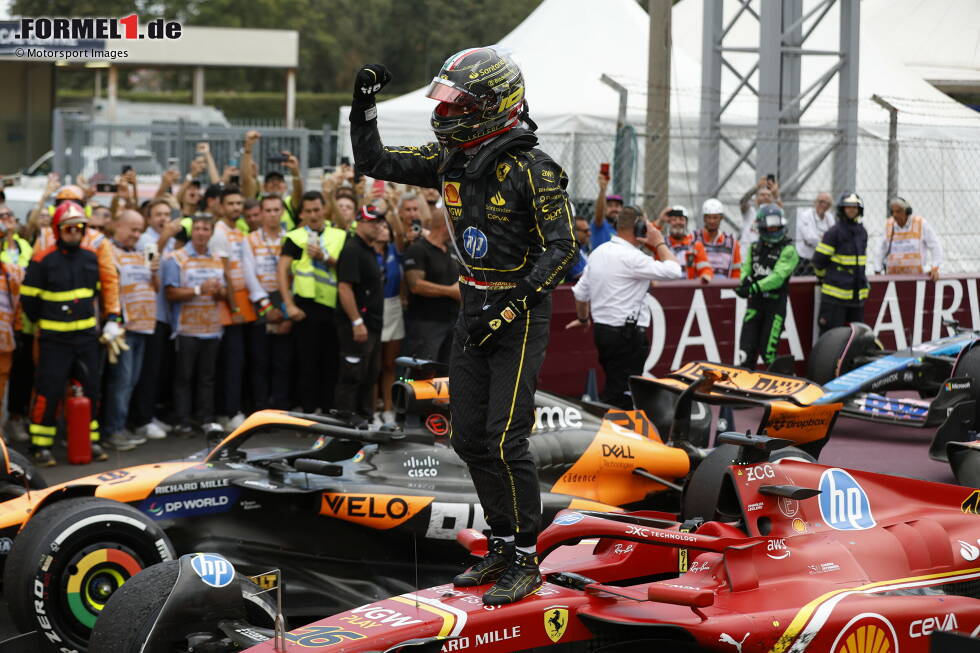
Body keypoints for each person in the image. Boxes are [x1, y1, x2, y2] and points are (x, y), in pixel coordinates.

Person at [350, 48, 577, 604]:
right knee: (470, 438)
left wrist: (508, 306)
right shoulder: (449, 157)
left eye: (459, 104)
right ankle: (500, 544)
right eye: (445, 102)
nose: (446, 114)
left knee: (505, 437)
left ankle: (527, 557)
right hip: (474, 306)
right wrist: (363, 105)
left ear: (494, 106)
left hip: (520, 314)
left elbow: (563, 249)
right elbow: (376, 163)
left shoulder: (534, 168)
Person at [22, 201, 122, 465]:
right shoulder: (43, 260)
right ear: (57, 230)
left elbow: (101, 291)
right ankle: (39, 446)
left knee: (91, 390)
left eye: (79, 228)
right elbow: (29, 302)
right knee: (48, 391)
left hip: (87, 340)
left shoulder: (91, 257)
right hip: (55, 341)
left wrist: (112, 319)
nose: (74, 233)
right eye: (68, 229)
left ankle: (91, 440)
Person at [568, 206, 681, 407]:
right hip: (626, 337)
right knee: (622, 396)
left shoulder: (598, 253)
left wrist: (584, 319)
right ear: (638, 227)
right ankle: (615, 434)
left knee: (616, 387)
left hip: (603, 332)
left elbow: (580, 293)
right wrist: (659, 243)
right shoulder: (632, 258)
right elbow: (674, 270)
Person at [278, 191, 347, 414]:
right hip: (306, 308)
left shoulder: (339, 235)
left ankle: (328, 411)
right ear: (302, 213)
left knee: (331, 363)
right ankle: (308, 413)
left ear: (324, 209)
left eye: (317, 210)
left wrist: (324, 258)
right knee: (307, 363)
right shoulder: (295, 237)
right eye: (308, 211)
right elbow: (281, 271)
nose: (313, 215)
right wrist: (289, 305)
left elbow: (347, 269)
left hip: (334, 306)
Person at [162, 215, 226, 436]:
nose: (201, 232)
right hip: (185, 329)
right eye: (197, 228)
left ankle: (205, 418)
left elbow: (224, 293)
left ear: (211, 233)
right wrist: (199, 289)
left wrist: (219, 292)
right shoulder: (177, 258)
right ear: (192, 232)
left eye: (205, 229)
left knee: (207, 377)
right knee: (184, 377)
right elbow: (170, 292)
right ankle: (182, 420)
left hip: (212, 329)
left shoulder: (217, 258)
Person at [103, 210, 160, 450]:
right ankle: (112, 431)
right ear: (118, 225)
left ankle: (121, 426)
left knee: (132, 381)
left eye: (140, 230)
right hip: (122, 328)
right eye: (132, 229)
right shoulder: (108, 250)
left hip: (143, 326)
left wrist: (155, 270)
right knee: (121, 381)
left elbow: (154, 287)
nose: (136, 235)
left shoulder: (142, 253)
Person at [210, 186, 265, 430]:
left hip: (243, 303)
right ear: (221, 206)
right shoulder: (220, 232)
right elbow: (224, 271)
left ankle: (232, 409)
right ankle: (229, 412)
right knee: (232, 361)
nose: (235, 208)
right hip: (229, 308)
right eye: (230, 203)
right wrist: (234, 307)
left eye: (238, 203)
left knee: (239, 360)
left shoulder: (238, 231)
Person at [334, 207, 386, 422]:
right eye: (372, 222)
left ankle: (365, 418)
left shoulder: (368, 249)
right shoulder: (352, 249)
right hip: (357, 325)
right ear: (359, 223)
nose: (378, 226)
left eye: (380, 222)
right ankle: (345, 422)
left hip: (372, 324)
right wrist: (356, 321)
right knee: (352, 374)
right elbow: (344, 288)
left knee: (370, 374)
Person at [736, 205, 799, 368]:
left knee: (768, 352)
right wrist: (744, 282)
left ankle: (784, 383)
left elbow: (777, 278)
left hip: (775, 306)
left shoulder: (789, 250)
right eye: (770, 226)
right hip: (755, 305)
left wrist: (753, 288)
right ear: (762, 226)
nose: (774, 229)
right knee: (744, 353)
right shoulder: (754, 248)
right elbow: (745, 268)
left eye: (777, 225)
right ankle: (744, 388)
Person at [245, 194, 291, 410]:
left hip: (284, 305)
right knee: (260, 362)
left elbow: (294, 276)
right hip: (261, 306)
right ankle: (261, 408)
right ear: (261, 213)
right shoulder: (251, 239)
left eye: (276, 210)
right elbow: (249, 277)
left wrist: (285, 309)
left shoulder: (290, 238)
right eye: (268, 210)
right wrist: (267, 308)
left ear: (282, 211)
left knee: (282, 363)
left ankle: (280, 407)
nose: (272, 214)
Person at [401, 206, 461, 366]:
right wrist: (451, 292)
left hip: (451, 322)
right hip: (426, 324)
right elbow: (415, 285)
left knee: (446, 374)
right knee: (422, 372)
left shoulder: (451, 250)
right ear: (446, 225)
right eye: (455, 223)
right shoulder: (418, 249)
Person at [812, 192, 868, 334]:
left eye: (855, 207)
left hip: (856, 298)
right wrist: (828, 278)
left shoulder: (862, 232)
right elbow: (818, 261)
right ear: (842, 209)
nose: (851, 210)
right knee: (830, 338)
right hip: (835, 299)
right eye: (848, 207)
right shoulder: (834, 232)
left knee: (856, 338)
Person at [878, 197, 942, 281]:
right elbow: (880, 249)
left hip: (918, 278)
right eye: (892, 212)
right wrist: (877, 270)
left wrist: (935, 267)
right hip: (892, 279)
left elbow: (935, 245)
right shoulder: (889, 224)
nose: (895, 215)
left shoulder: (920, 223)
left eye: (898, 211)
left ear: (907, 212)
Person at [693, 198, 741, 279]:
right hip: (699, 288)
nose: (712, 221)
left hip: (725, 289)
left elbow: (736, 270)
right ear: (704, 218)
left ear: (721, 218)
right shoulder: (693, 239)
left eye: (715, 217)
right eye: (709, 217)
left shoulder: (732, 242)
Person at [665, 206, 712, 281]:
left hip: (688, 289)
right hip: (664, 289)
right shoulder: (660, 244)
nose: (678, 222)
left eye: (681, 219)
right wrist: (660, 220)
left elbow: (705, 268)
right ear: (669, 222)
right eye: (674, 219)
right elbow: (646, 236)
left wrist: (705, 276)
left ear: (686, 223)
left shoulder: (695, 245)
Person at [795, 193, 835, 275]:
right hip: (805, 260)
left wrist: (820, 239)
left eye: (826, 203)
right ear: (815, 202)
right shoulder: (805, 216)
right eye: (820, 201)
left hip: (824, 259)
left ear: (829, 206)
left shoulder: (829, 217)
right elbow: (810, 239)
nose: (822, 205)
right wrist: (826, 241)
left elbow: (835, 238)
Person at [739, 177, 780, 247]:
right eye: (762, 195)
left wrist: (776, 195)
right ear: (756, 199)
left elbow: (780, 208)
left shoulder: (775, 215)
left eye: (768, 195)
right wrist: (757, 187)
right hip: (746, 253)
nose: (765, 197)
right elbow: (743, 201)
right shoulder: (750, 213)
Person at [592, 171, 620, 249]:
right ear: (605, 208)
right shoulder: (601, 225)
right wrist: (603, 190)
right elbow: (599, 214)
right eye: (610, 206)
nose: (614, 209)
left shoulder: (622, 230)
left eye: (617, 206)